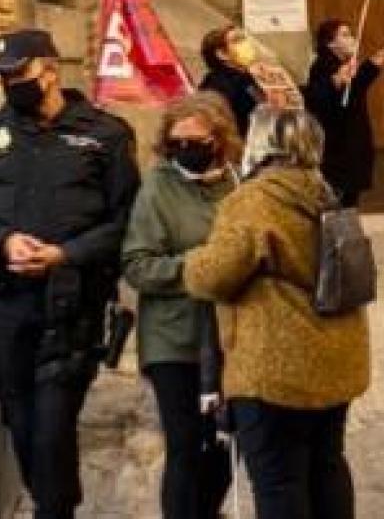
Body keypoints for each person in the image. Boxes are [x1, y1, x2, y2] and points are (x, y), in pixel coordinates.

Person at [0, 29, 141, 519]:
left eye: (17, 74)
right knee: (22, 424)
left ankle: (55, 510)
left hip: (71, 306)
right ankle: (53, 505)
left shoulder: (105, 134)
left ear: (50, 71)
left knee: (53, 429)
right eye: (1, 77)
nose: (9, 84)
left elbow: (128, 222)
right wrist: (1, 242)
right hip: (7, 304)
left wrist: (66, 254)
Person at [184, 106, 370, 519]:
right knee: (327, 467)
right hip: (335, 362)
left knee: (279, 482)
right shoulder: (325, 192)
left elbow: (212, 277)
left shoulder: (253, 200)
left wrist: (193, 259)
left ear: (261, 143)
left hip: (275, 371)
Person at [122, 93, 242, 519]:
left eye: (196, 140)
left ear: (220, 139)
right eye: (177, 142)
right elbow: (138, 266)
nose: (186, 150)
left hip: (235, 337)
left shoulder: (241, 182)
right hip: (176, 339)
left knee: (229, 443)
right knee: (186, 444)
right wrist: (200, 267)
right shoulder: (158, 187)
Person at [304, 18, 384, 208]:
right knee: (338, 199)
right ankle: (340, 235)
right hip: (338, 148)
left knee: (348, 199)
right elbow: (320, 99)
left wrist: (370, 67)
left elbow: (354, 91)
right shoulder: (324, 65)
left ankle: (346, 233)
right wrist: (336, 81)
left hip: (349, 145)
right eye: (345, 35)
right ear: (330, 43)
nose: (353, 39)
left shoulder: (343, 65)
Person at [199, 25, 265, 137]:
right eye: (237, 40)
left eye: (244, 39)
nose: (246, 44)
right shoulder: (220, 85)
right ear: (222, 54)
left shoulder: (245, 77)